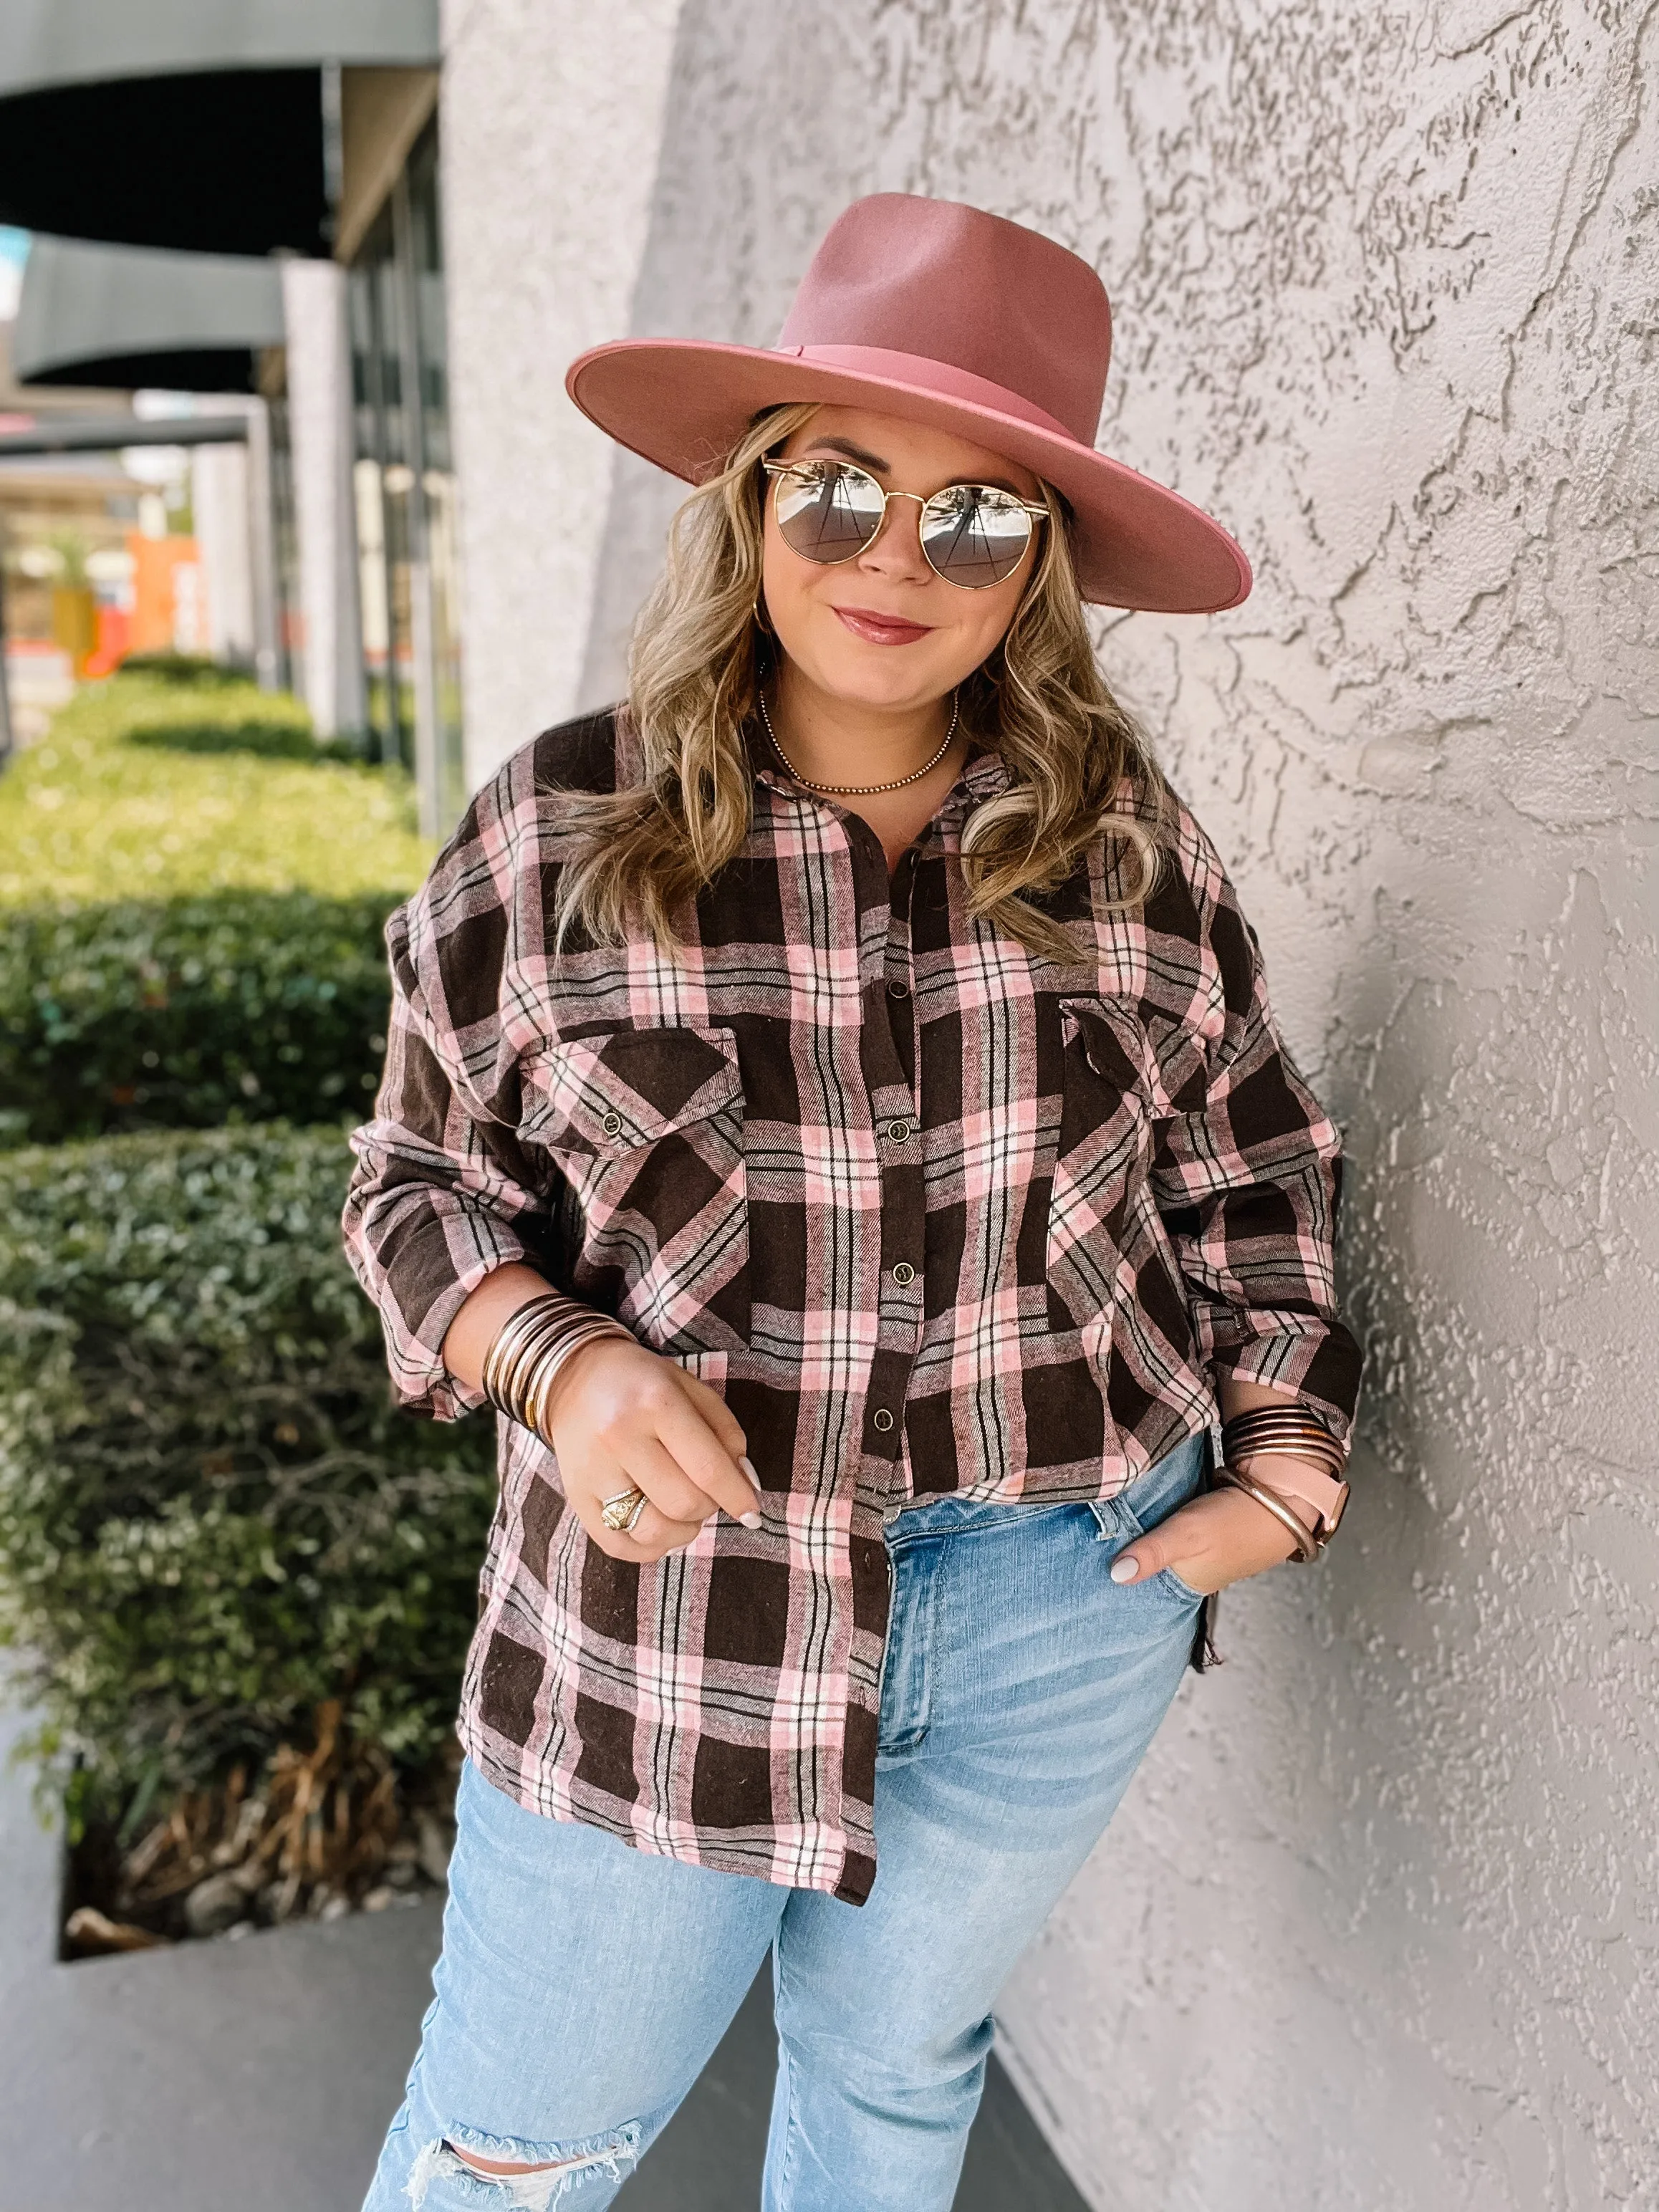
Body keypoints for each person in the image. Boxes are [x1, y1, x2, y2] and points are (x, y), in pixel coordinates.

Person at [346, 193, 1362, 2212]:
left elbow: (1247, 1157)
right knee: (514, 2156)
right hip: (671, 1623)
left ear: (1039, 576)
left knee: (900, 2082)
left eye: (978, 517)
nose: (899, 558)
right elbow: (417, 1180)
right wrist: (560, 1362)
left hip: (1065, 1596)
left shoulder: (1118, 847)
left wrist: (1288, 1454)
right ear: (747, 507)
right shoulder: (555, 832)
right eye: (837, 491)